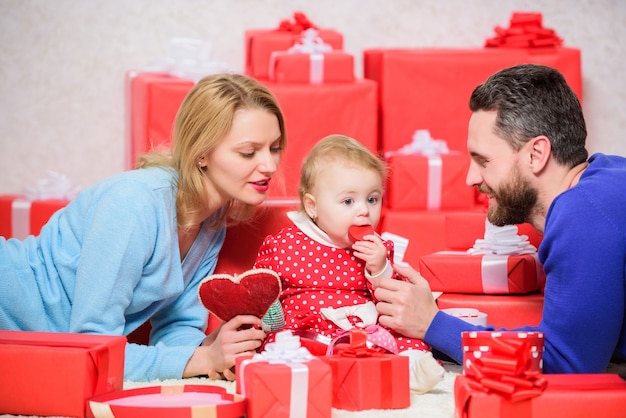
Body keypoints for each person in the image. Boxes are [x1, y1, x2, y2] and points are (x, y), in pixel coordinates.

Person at [0, 73, 287, 382]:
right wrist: (201, 359)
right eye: (248, 152)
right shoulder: (133, 204)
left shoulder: (212, 222)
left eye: (274, 148)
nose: (269, 166)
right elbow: (92, 347)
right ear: (202, 153)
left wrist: (211, 350)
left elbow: (178, 326)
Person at [374, 63, 626, 374]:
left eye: (483, 160)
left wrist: (432, 324)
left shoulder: (584, 213)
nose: (470, 178)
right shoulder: (610, 175)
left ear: (536, 154)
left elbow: (565, 367)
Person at [254, 134, 445, 393]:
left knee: (401, 338)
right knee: (286, 345)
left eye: (372, 199)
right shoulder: (286, 244)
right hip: (309, 327)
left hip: (365, 328)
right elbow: (262, 286)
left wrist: (379, 268)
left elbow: (392, 298)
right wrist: (267, 317)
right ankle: (309, 374)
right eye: (348, 201)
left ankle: (410, 371)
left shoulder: (378, 248)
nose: (364, 210)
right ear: (312, 207)